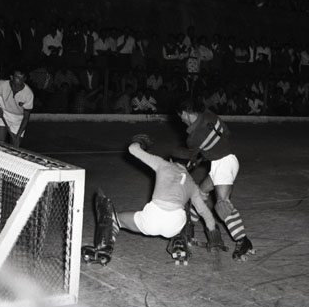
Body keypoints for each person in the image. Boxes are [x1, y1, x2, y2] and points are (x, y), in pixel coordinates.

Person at [83, 139, 224, 265]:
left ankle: (103, 249)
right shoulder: (192, 184)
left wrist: (141, 141)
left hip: (152, 219)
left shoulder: (163, 165)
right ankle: (180, 242)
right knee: (185, 209)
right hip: (174, 226)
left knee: (114, 218)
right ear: (190, 164)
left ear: (171, 160)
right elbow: (205, 213)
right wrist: (214, 237)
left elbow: (132, 149)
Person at [175, 100, 255, 261]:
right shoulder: (209, 115)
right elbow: (226, 133)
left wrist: (188, 162)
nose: (181, 120)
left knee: (222, 205)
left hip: (223, 164)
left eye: (181, 117)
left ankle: (243, 241)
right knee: (200, 193)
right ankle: (189, 227)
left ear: (184, 113)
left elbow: (192, 156)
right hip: (226, 160)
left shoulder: (193, 137)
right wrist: (211, 151)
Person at [0, 66, 34, 147]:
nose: (20, 81)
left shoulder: (28, 94)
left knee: (14, 147)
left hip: (19, 120)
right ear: (11, 77)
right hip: (3, 113)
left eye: (22, 78)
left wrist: (18, 136)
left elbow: (26, 117)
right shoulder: (1, 84)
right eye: (17, 77)